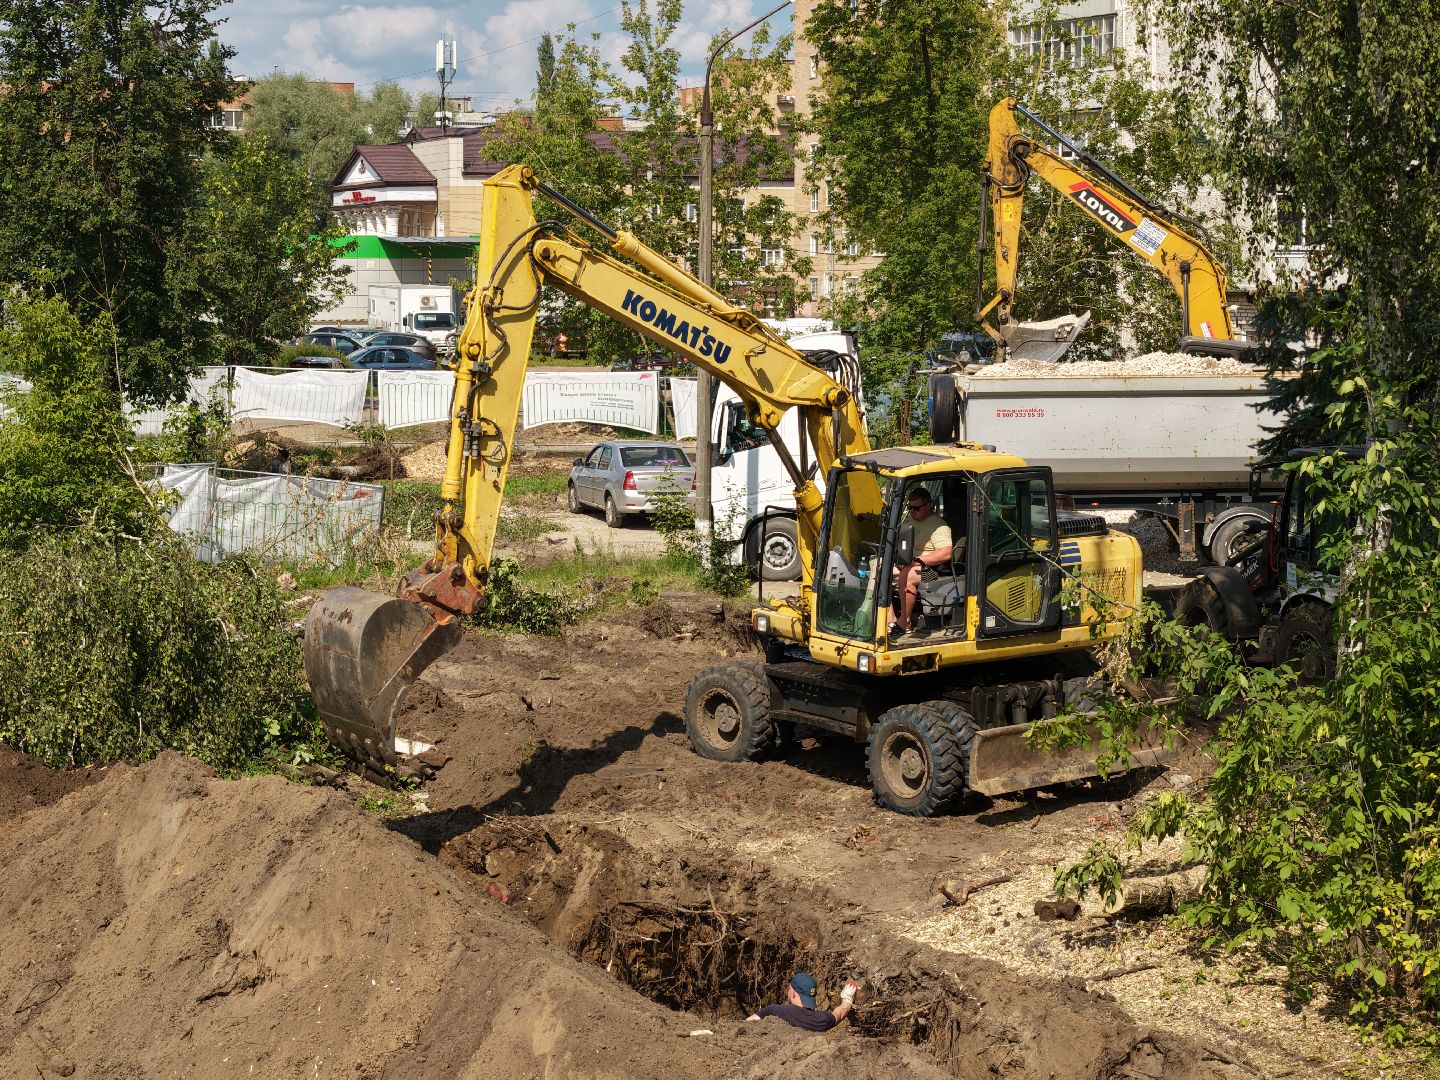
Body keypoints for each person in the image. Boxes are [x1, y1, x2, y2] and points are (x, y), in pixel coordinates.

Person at [891, 487, 957, 636]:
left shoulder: (939, 526)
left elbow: (946, 553)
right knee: (880, 571)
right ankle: (890, 618)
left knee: (906, 576)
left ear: (928, 506)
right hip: (908, 562)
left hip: (932, 570)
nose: (912, 511)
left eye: (916, 508)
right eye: (910, 507)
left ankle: (904, 622)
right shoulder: (911, 520)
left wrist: (918, 561)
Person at [746, 973, 858, 1032]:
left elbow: (745, 1024)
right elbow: (841, 1012)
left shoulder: (774, 1011)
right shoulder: (821, 1020)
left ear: (794, 993)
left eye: (790, 989)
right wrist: (847, 998)